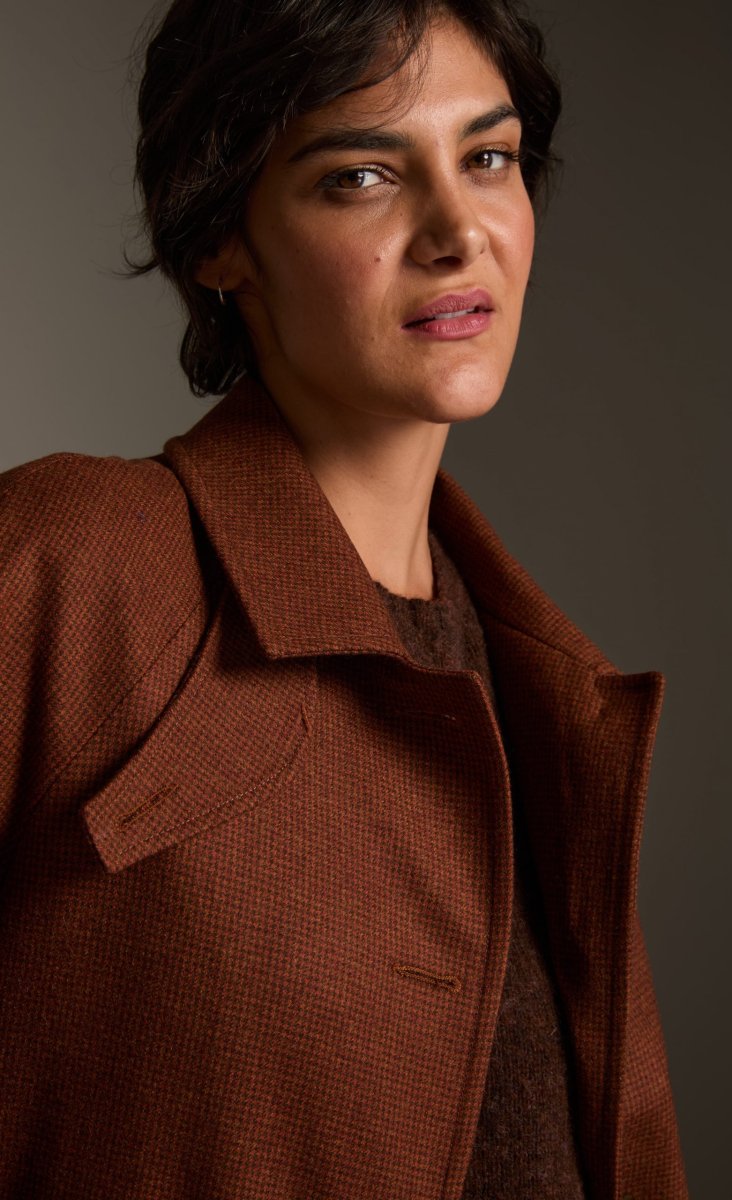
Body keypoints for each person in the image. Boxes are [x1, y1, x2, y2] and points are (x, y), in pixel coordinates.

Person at [0, 1, 689, 1197]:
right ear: (221, 239)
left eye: (488, 158)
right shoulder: (76, 565)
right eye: (361, 176)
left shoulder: (549, 693)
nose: (457, 233)